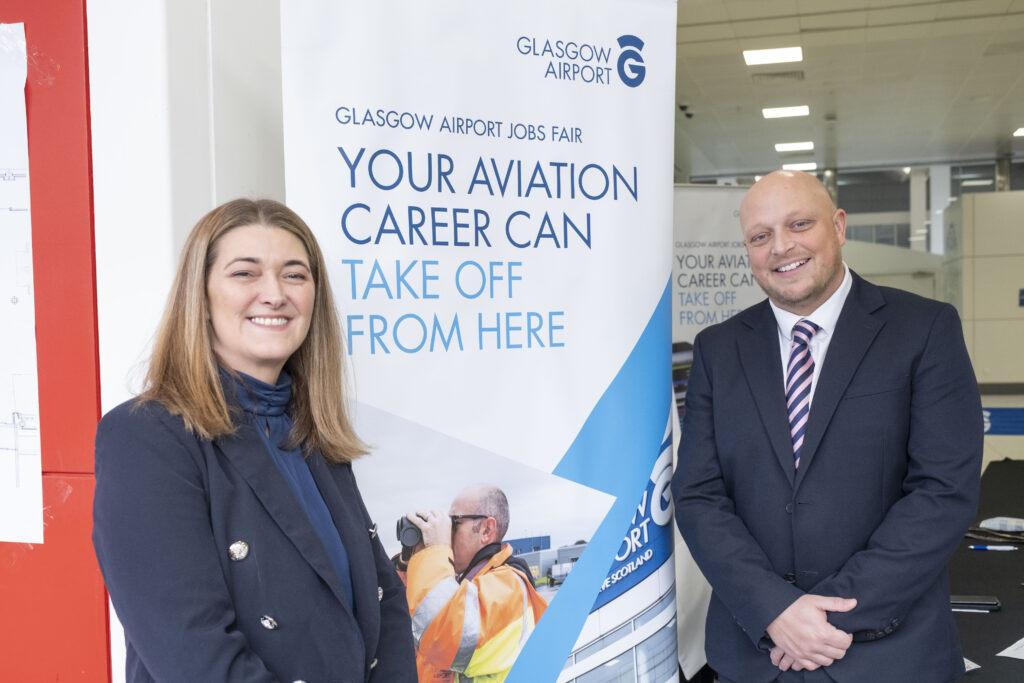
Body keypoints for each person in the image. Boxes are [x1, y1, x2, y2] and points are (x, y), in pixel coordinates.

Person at [671, 170, 983, 683]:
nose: (781, 247)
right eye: (760, 235)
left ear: (838, 227)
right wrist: (775, 610)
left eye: (799, 224)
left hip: (890, 653)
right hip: (758, 654)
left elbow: (942, 491)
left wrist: (821, 619)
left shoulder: (925, 329)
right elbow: (699, 496)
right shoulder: (718, 349)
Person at [92, 198, 417, 682]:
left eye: (295, 275)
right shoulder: (146, 437)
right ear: (200, 298)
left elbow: (382, 603)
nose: (275, 294)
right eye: (245, 274)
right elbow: (195, 658)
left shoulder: (309, 429)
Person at [404, 483, 548, 682]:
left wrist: (433, 553)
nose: (447, 531)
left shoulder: (509, 588)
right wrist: (414, 562)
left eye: (454, 523)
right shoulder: (465, 585)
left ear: (486, 530)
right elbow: (414, 625)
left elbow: (443, 637)